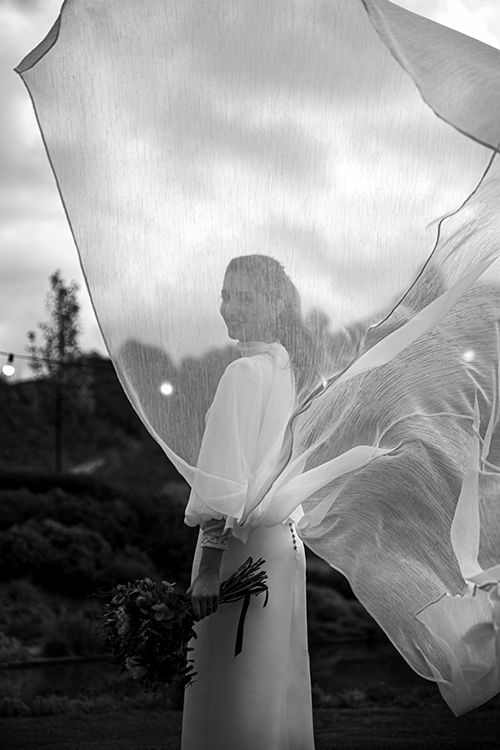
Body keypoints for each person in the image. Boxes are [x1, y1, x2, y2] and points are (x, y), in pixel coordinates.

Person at [181, 254, 319, 750]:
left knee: (231, 702)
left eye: (244, 296)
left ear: (275, 303)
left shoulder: (244, 374)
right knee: (271, 698)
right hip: (284, 549)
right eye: (224, 295)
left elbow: (223, 480)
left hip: (238, 553)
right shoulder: (297, 373)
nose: (229, 307)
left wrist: (207, 569)